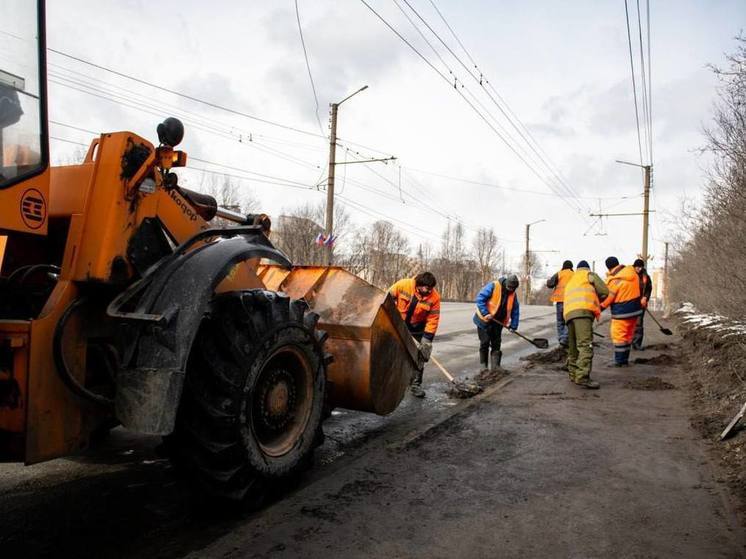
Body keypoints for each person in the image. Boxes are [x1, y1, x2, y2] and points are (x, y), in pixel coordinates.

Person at [389, 272, 441, 398]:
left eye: (431, 289)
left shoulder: (434, 298)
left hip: (418, 327)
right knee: (395, 353)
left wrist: (427, 340)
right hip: (399, 324)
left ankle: (415, 385)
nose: (429, 291)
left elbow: (433, 319)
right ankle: (393, 382)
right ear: (419, 285)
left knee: (419, 357)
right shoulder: (403, 285)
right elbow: (386, 298)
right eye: (427, 288)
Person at [563, 260, 609, 389]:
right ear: (586, 268)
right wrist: (596, 301)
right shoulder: (589, 274)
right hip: (583, 312)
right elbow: (605, 291)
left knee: (573, 347)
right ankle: (582, 377)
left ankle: (573, 374)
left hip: (569, 314)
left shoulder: (572, 279)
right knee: (585, 345)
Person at [601, 256, 643, 366]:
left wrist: (599, 308)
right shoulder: (632, 273)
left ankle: (619, 361)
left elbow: (608, 298)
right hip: (635, 311)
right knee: (628, 336)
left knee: (619, 336)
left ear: (609, 268)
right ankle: (624, 360)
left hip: (622, 312)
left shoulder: (615, 280)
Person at [473, 274, 520, 372]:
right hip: (484, 320)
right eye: (509, 288)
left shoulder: (513, 294)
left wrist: (513, 326)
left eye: (513, 289)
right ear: (506, 284)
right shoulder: (494, 286)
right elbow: (480, 299)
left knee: (496, 343)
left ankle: (496, 367)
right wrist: (486, 313)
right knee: (485, 342)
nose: (510, 290)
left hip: (498, 322)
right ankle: (483, 367)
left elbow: (515, 310)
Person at [546, 260, 574, 348]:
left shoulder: (559, 273)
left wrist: (548, 281)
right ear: (571, 267)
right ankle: (564, 339)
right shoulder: (574, 274)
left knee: (560, 321)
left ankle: (561, 339)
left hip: (559, 301)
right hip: (571, 301)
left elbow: (550, 284)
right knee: (569, 321)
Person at [632, 258, 653, 350]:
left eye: (640, 267)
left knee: (639, 323)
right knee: (628, 323)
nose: (639, 269)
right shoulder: (630, 276)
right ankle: (627, 342)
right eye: (637, 267)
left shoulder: (646, 277)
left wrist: (645, 297)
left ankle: (637, 343)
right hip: (630, 302)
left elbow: (649, 289)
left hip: (641, 303)